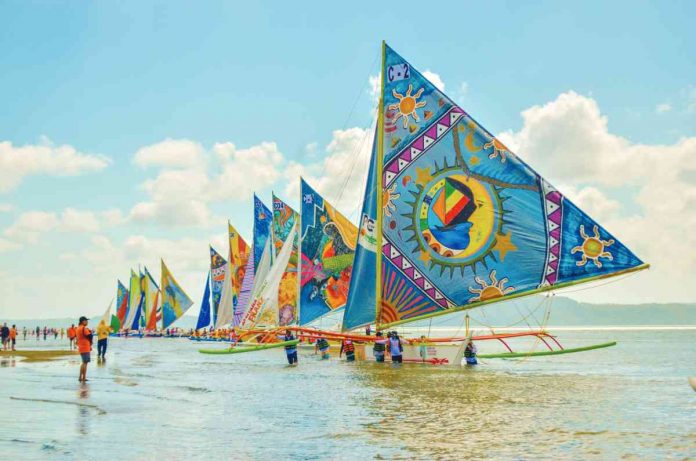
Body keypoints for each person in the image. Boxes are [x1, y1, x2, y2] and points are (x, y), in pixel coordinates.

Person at [76, 316, 93, 382]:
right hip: (85, 347)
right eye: (86, 320)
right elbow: (89, 336)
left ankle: (80, 377)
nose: (87, 322)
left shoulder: (78, 328)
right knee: (85, 363)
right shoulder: (84, 328)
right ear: (83, 321)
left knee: (83, 362)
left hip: (81, 347)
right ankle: (84, 378)